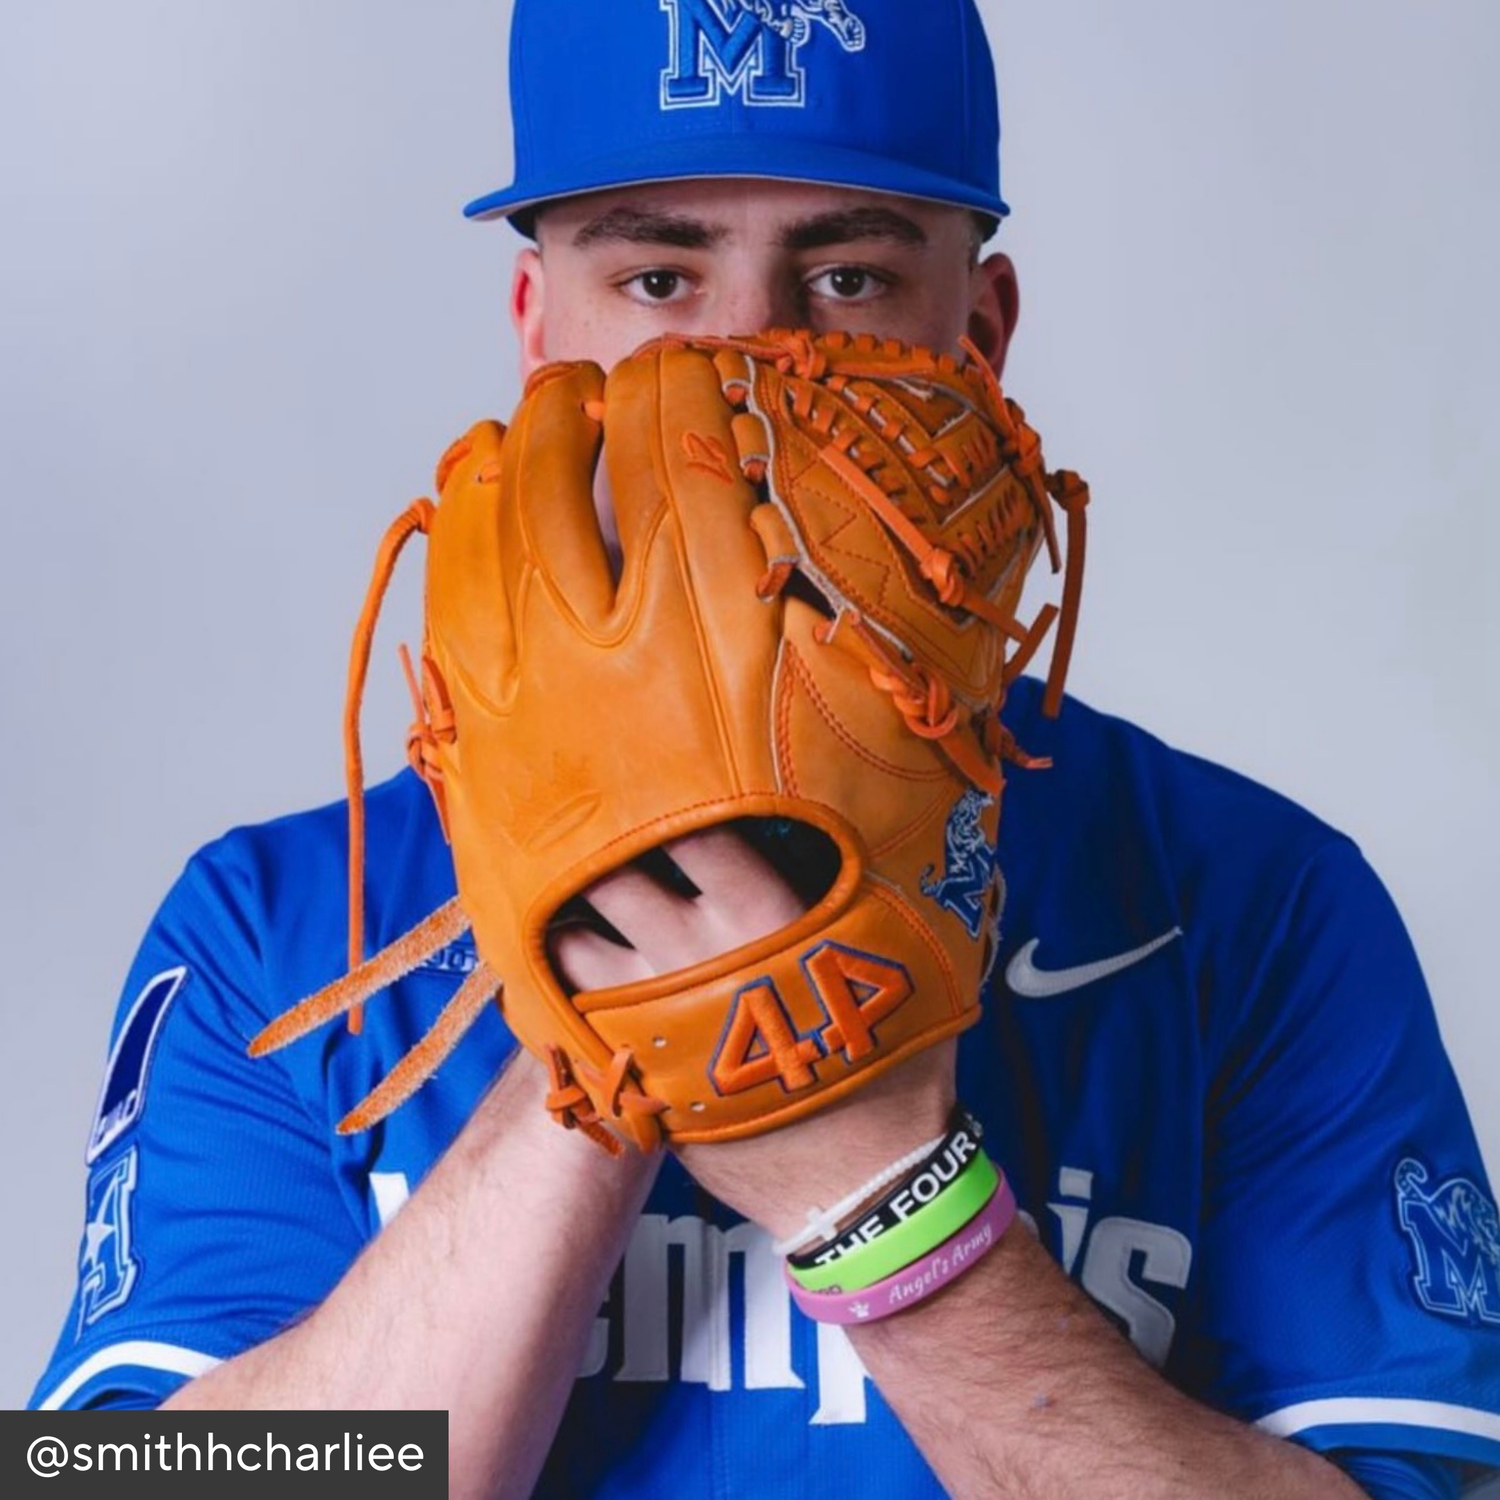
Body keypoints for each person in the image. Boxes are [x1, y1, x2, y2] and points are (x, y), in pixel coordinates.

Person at [29, 3, 1500, 1497]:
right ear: (540, 334)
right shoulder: (278, 926)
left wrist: (879, 1192)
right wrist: (608, 1040)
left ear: (977, 338)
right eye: (659, 275)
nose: (739, 358)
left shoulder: (1251, 904)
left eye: (848, 277)